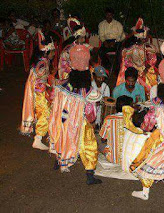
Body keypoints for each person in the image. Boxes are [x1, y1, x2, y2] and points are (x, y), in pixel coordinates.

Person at [49, 44, 102, 185]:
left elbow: (53, 97)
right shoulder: (88, 92)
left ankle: (58, 161)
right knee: (89, 146)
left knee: (62, 137)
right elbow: (91, 112)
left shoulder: (62, 84)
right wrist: (91, 121)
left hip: (64, 119)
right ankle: (90, 175)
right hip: (80, 123)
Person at [20, 30, 55, 150]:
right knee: (45, 114)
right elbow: (38, 82)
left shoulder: (42, 61)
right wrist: (48, 90)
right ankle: (38, 139)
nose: (54, 53)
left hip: (39, 92)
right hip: (39, 93)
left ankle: (43, 135)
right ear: (47, 52)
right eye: (53, 51)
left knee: (45, 112)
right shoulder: (43, 64)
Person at [116, 18, 158, 96]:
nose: (142, 40)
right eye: (140, 39)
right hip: (133, 69)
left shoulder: (148, 47)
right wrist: (134, 69)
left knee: (150, 80)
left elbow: (153, 59)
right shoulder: (130, 48)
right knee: (130, 77)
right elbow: (126, 60)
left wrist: (146, 68)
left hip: (145, 68)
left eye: (143, 39)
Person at [58, 17, 91, 83]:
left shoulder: (85, 47)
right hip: (71, 76)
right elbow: (63, 67)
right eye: (81, 38)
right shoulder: (67, 51)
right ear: (76, 38)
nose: (83, 40)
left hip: (83, 74)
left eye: (84, 38)